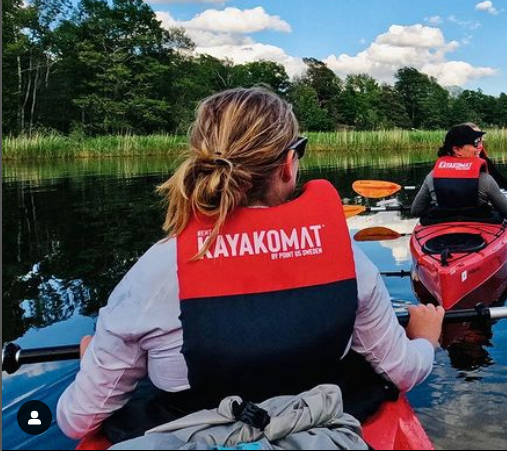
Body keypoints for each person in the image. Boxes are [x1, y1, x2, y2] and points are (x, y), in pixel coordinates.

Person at [57, 87, 444, 442]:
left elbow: (78, 420)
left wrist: (92, 361)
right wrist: (425, 338)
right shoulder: (348, 260)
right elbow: (403, 372)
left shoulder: (154, 272)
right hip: (317, 426)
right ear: (288, 164)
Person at [410, 123, 507, 223]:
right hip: (478, 231)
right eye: (475, 143)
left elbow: (416, 211)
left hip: (441, 232)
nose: (479, 147)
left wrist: (435, 207)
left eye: (479, 141)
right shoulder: (485, 179)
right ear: (456, 149)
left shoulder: (432, 176)